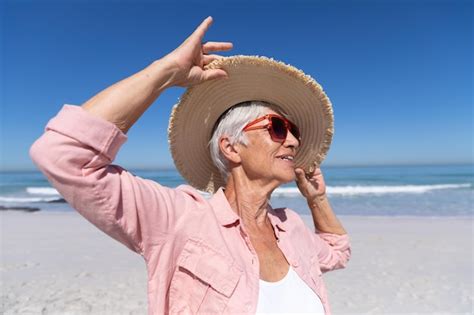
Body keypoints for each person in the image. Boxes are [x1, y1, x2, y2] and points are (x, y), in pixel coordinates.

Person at [30, 16, 351, 315]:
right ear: (231, 147)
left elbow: (337, 252)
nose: (293, 142)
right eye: (278, 128)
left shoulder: (290, 226)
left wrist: (316, 199)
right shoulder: (180, 220)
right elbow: (63, 153)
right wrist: (165, 72)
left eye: (294, 132)